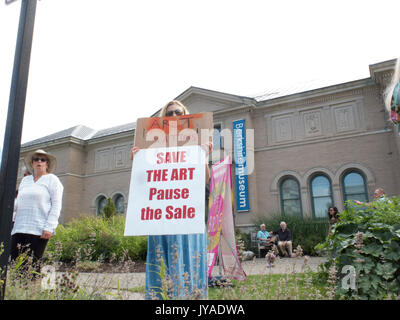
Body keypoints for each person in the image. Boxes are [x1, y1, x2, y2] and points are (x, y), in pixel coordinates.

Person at [130, 100, 211, 300]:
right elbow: (143, 183)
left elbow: (205, 180)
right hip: (161, 216)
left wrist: (204, 157)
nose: (174, 116)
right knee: (160, 261)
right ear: (163, 120)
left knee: (190, 259)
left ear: (186, 116)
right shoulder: (151, 149)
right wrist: (138, 161)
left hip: (188, 214)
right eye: (169, 113)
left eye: (178, 112)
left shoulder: (196, 145)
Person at [10, 149, 64, 275]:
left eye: (42, 159)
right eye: (36, 159)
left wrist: (49, 227)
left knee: (32, 266)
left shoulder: (52, 180)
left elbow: (56, 204)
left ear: (47, 164)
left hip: (38, 229)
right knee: (15, 265)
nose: (39, 161)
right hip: (19, 227)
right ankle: (17, 291)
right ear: (32, 163)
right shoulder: (25, 181)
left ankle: (31, 293)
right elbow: (18, 202)